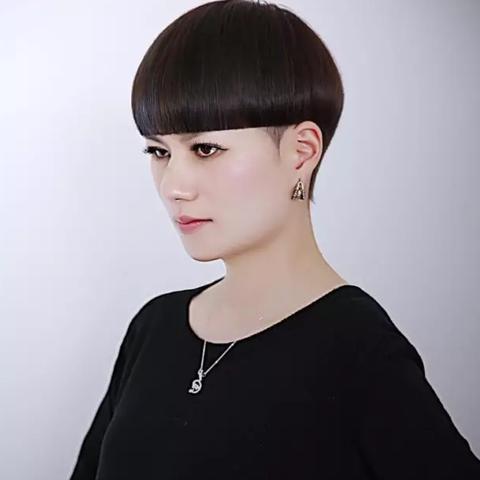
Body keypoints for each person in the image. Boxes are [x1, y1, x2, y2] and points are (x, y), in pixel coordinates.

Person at [68, 0, 480, 478]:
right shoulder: (153, 328)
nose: (173, 185)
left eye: (206, 148)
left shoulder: (358, 351)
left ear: (301, 151)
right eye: (159, 152)